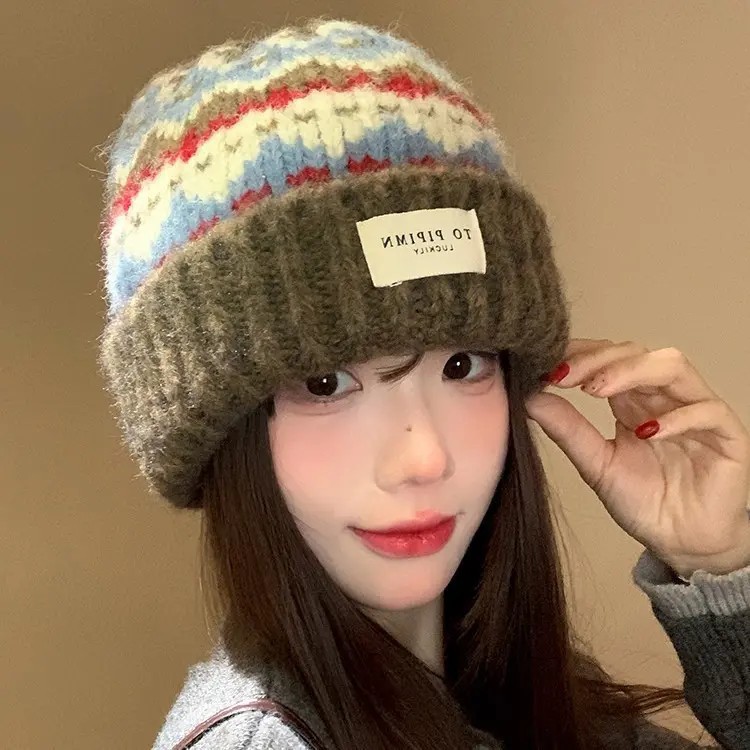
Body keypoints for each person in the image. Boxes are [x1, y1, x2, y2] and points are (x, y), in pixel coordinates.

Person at [95, 16, 750, 750]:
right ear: (223, 431)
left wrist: (717, 561)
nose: (424, 457)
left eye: (461, 365)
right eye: (326, 382)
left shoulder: (515, 699)